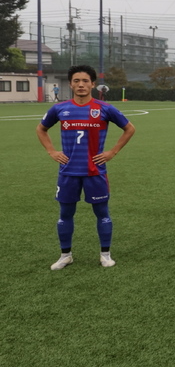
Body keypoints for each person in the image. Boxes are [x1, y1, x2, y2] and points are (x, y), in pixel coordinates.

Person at [37, 64, 136, 270]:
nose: (81, 84)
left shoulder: (104, 108)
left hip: (95, 171)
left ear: (92, 84)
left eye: (85, 81)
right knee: (65, 214)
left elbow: (129, 128)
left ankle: (105, 255)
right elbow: (41, 129)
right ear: (71, 84)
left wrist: (112, 152)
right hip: (68, 172)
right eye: (76, 81)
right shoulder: (60, 108)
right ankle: (65, 255)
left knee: (102, 213)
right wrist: (51, 151)